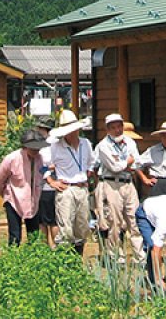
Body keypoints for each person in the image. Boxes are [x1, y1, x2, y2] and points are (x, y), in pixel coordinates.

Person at [93, 113, 144, 262]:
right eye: (113, 128)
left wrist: (127, 165)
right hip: (111, 184)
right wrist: (127, 163)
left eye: (119, 126)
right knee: (114, 221)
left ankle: (140, 257)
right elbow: (114, 167)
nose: (117, 130)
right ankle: (116, 257)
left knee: (135, 220)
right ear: (107, 129)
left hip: (128, 183)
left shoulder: (130, 142)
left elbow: (137, 163)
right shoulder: (103, 146)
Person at [47, 109, 95, 254]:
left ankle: (78, 260)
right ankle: (65, 262)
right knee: (66, 228)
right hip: (66, 189)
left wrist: (89, 173)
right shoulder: (55, 147)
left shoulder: (86, 143)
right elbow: (43, 167)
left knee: (82, 227)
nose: (73, 133)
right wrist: (52, 182)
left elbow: (92, 162)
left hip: (82, 188)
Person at [0, 128, 48, 246]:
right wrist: (5, 194)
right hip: (13, 200)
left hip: (33, 202)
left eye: (37, 148)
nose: (36, 151)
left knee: (33, 236)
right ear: (25, 146)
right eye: (33, 148)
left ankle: (31, 260)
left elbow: (41, 176)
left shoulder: (40, 159)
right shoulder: (11, 159)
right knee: (14, 236)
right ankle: (13, 261)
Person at [33, 115, 59, 248]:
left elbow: (44, 166)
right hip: (54, 186)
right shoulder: (59, 142)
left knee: (45, 222)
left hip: (46, 187)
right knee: (53, 220)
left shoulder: (46, 145)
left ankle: (48, 248)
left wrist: (47, 173)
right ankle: (54, 248)